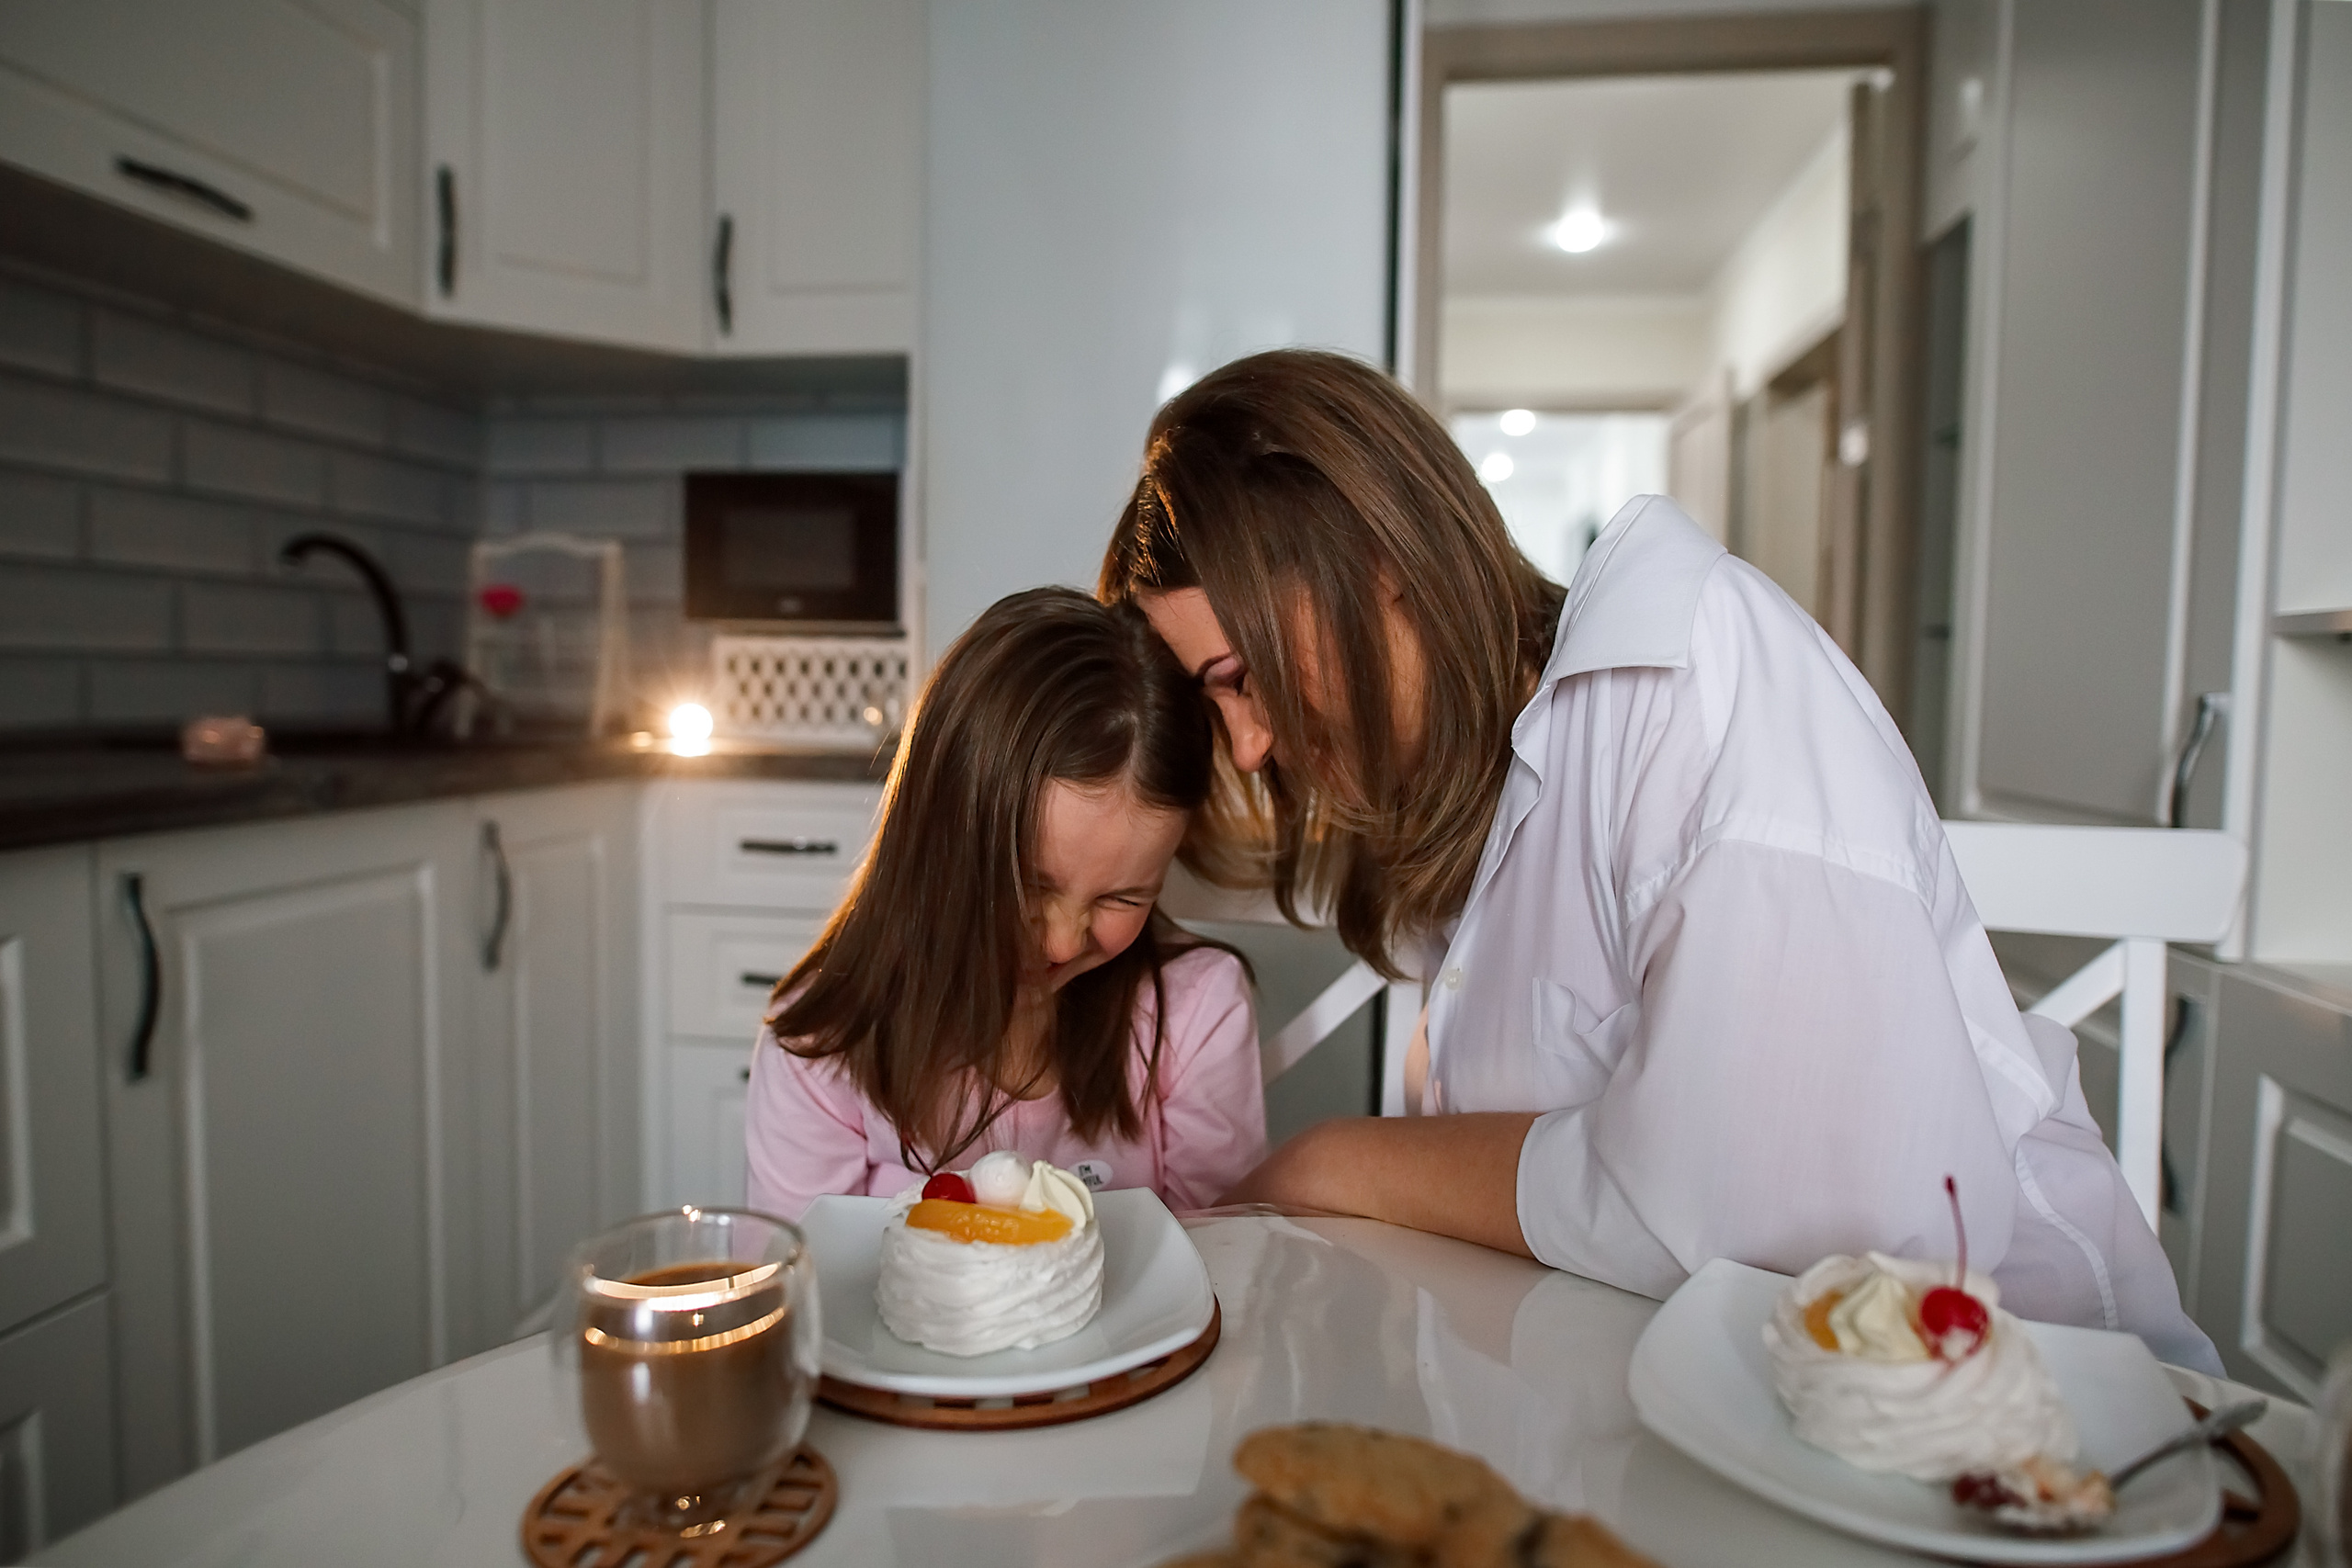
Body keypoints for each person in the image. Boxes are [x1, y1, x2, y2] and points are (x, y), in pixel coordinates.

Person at [1101, 348, 2220, 1372]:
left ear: (1375, 554)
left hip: (2039, 1414)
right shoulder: (1484, 799)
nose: (1250, 744)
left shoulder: (1694, 674)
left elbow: (1773, 1211)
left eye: (1241, 678)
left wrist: (1337, 1162)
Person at [743, 587, 1265, 1222]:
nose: (1065, 940)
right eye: (1032, 885)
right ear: (936, 838)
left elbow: (1218, 1269)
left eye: (1123, 896)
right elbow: (804, 1292)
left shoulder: (1195, 1008)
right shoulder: (823, 1047)